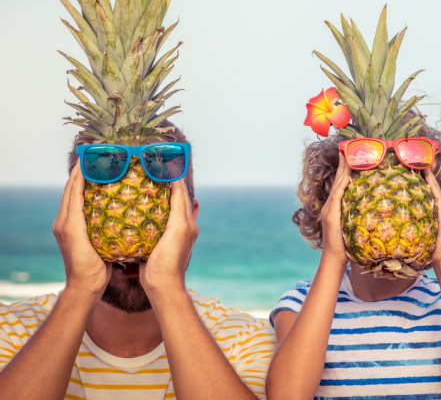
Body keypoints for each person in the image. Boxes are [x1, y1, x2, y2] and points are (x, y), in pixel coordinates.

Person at [0, 129, 275, 400]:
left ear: (190, 220)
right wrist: (80, 289)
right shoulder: (10, 328)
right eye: (109, 212)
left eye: (152, 210)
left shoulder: (245, 338)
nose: (129, 240)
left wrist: (166, 288)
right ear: (69, 216)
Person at [265, 122, 441, 400]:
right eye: (369, 190)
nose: (385, 207)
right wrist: (333, 259)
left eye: (402, 189)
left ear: (430, 203)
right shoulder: (299, 303)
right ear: (336, 204)